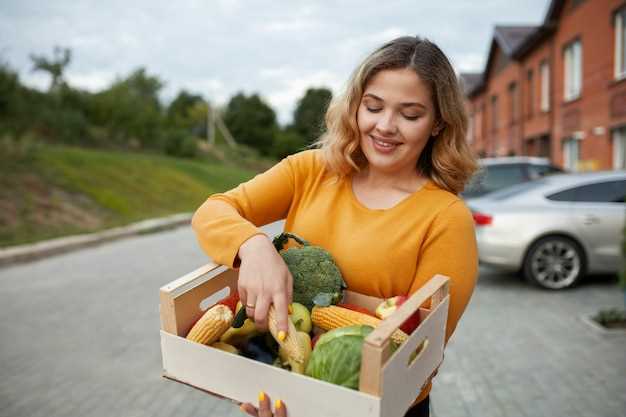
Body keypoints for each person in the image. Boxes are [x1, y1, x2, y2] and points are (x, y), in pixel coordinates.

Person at [191, 35, 479, 417]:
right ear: (355, 105)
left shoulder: (446, 218)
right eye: (373, 107)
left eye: (410, 114)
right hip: (291, 384)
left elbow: (418, 354)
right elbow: (214, 211)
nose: (385, 126)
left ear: (439, 123)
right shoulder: (309, 171)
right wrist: (254, 245)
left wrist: (318, 401)